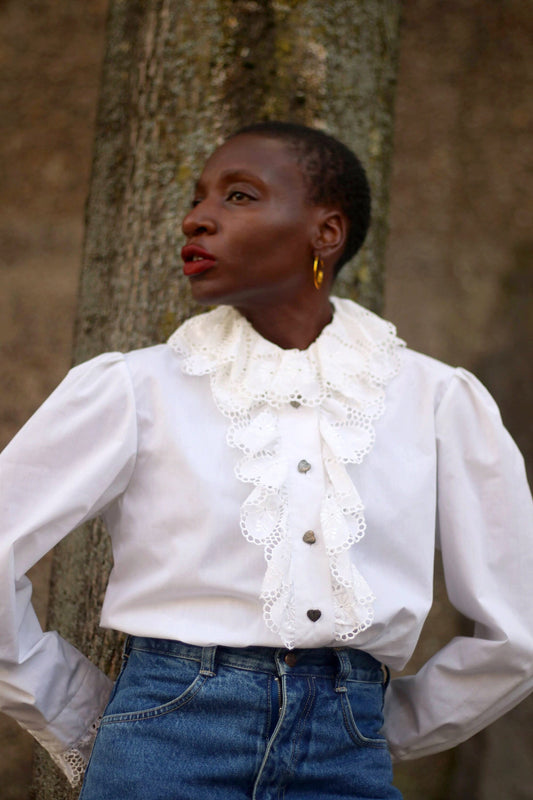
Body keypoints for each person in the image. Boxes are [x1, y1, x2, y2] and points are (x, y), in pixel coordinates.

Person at [1, 121, 532, 800]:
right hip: (161, 746)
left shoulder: (438, 401)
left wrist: (370, 727)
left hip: (346, 759)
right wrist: (78, 714)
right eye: (198, 199)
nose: (197, 218)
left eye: (240, 196)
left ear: (326, 233)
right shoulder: (132, 389)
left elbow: (514, 629)